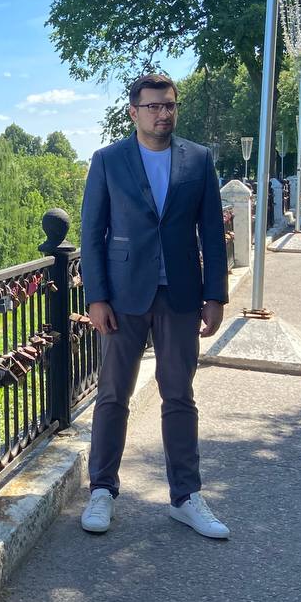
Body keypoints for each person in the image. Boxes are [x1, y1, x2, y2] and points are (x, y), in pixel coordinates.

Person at [78, 73, 231, 539]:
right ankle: (102, 490)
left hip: (180, 294)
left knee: (179, 395)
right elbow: (92, 233)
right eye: (153, 106)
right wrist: (96, 298)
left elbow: (211, 232)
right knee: (112, 395)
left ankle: (186, 497)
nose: (163, 114)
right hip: (123, 296)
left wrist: (215, 295)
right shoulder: (109, 160)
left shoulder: (198, 159)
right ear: (134, 112)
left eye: (170, 105)